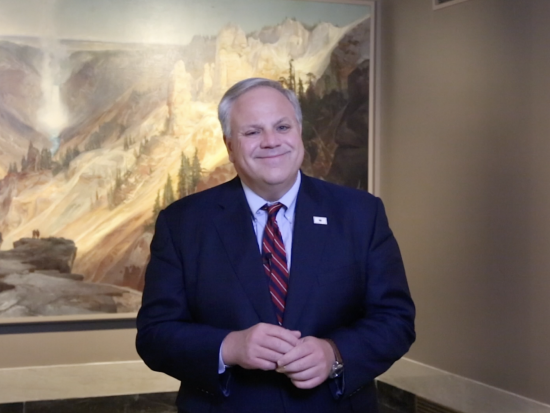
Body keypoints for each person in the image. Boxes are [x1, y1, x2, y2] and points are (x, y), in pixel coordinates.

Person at [136, 78, 415, 413]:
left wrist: (335, 354)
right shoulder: (182, 223)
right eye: (252, 132)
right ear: (229, 145)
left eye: (282, 126)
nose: (270, 142)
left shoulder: (360, 213)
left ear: (298, 132)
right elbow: (155, 335)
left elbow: (395, 319)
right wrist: (229, 347)